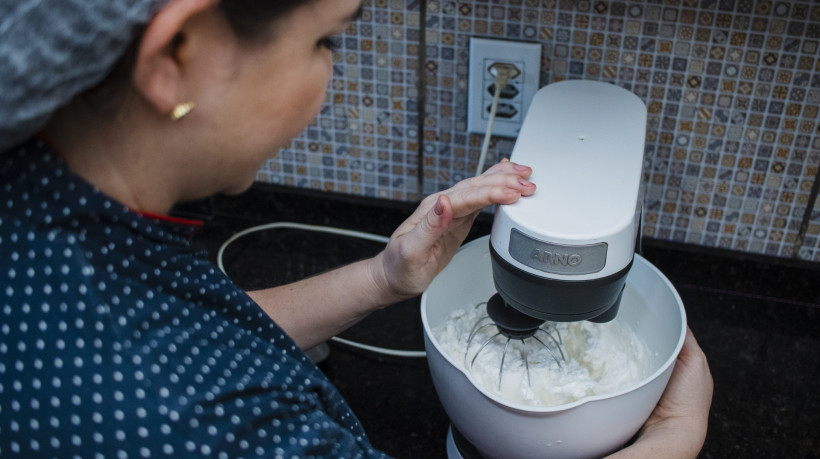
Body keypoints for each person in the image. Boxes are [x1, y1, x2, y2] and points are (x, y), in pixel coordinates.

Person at [0, 0, 712, 457]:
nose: (328, 77)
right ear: (177, 53)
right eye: (323, 43)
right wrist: (677, 441)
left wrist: (382, 278)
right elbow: (185, 379)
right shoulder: (215, 429)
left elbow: (204, 338)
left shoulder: (48, 206)